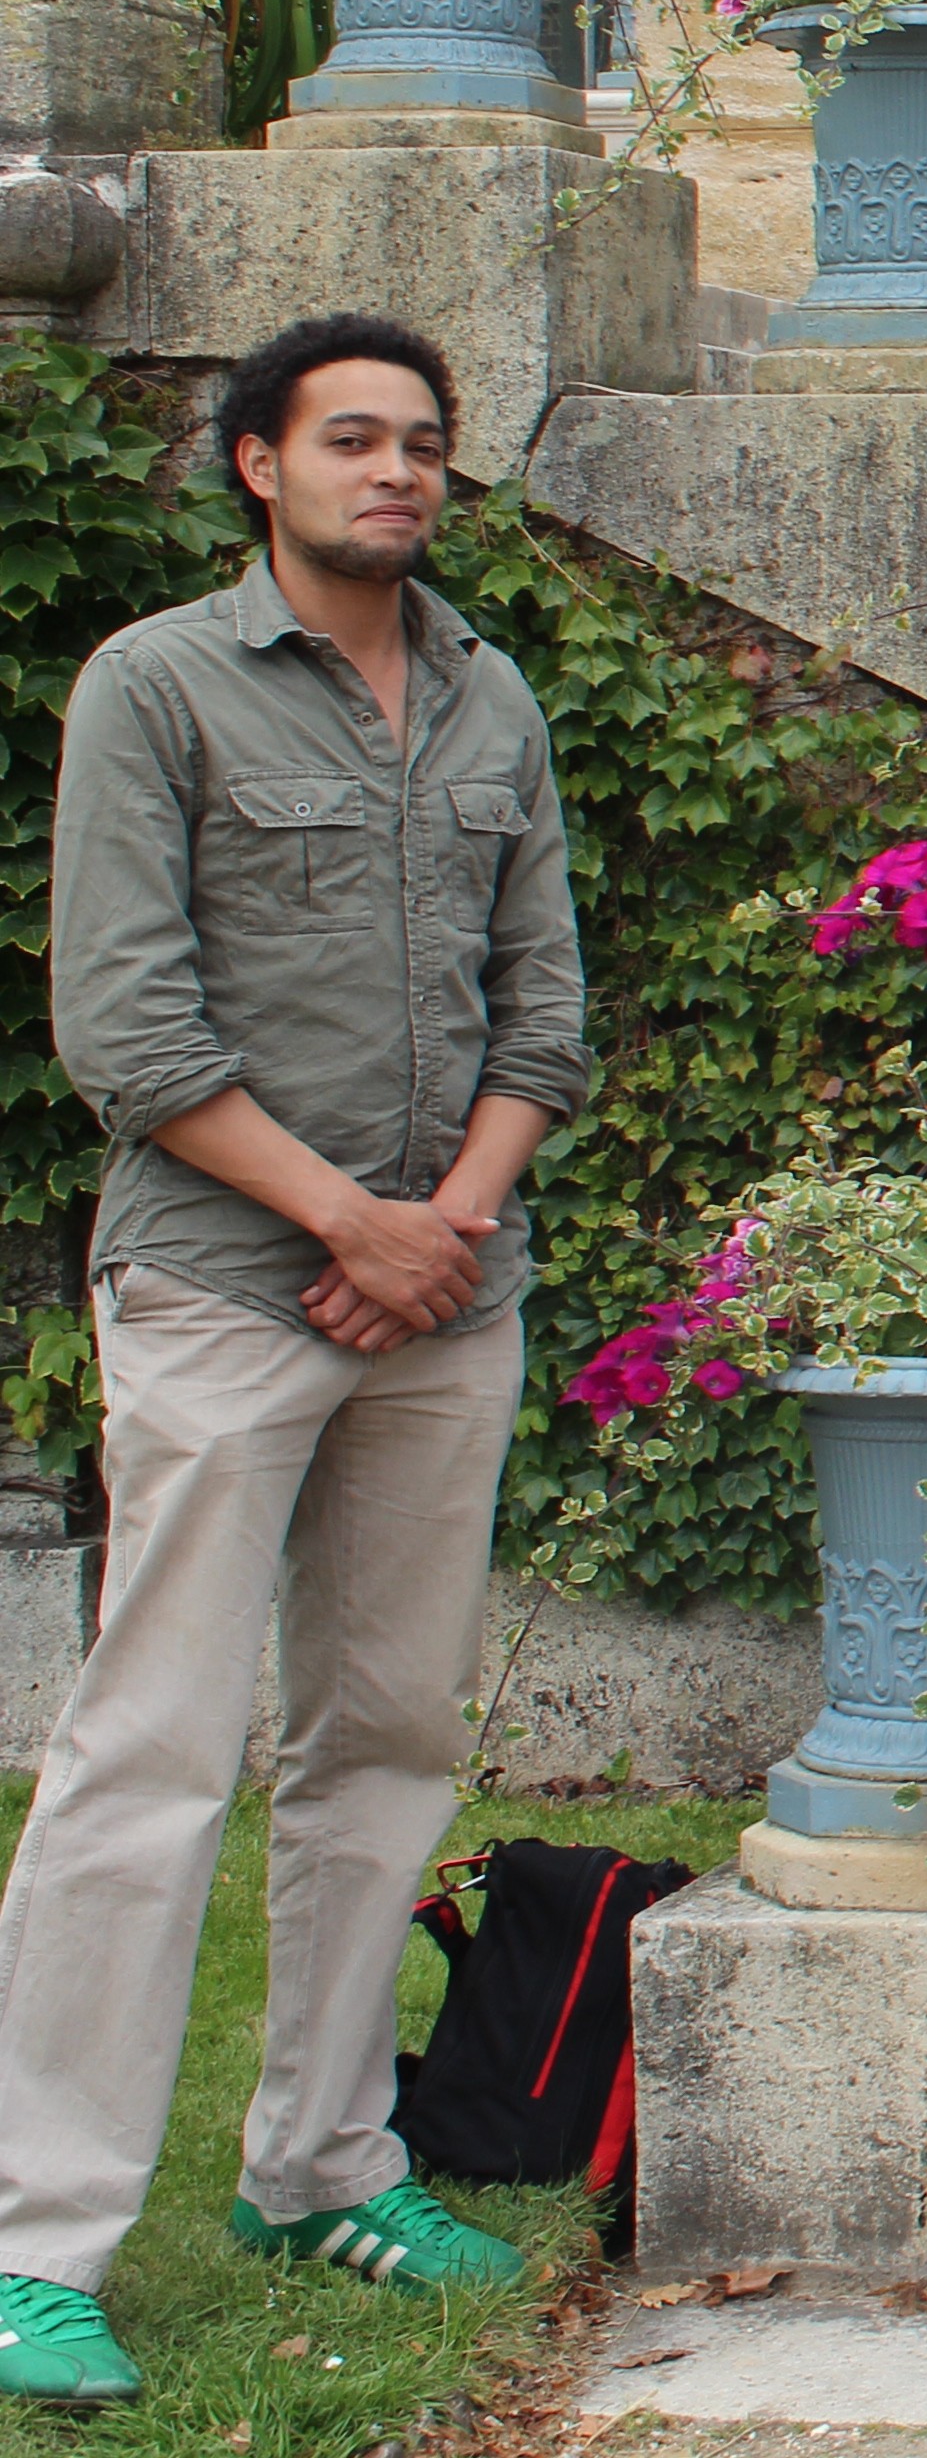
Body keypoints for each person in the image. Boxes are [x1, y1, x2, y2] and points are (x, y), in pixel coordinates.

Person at [3, 316, 590, 2400]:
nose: (401, 471)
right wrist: (352, 1224)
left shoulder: (491, 694)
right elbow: (128, 1030)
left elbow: (547, 1015)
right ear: (260, 464)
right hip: (225, 1293)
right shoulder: (156, 686)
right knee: (145, 1762)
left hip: (449, 1295)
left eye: (426, 443)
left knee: (387, 1747)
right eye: (355, 438)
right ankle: (38, 2237)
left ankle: (324, 2160)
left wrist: (442, 1229)